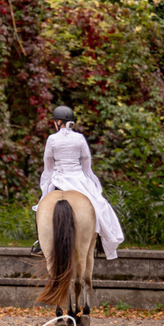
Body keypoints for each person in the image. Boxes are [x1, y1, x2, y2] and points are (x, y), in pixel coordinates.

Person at [31, 105, 124, 260]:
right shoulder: (80, 138)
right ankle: (101, 241)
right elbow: (86, 164)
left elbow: (48, 166)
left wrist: (45, 185)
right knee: (99, 206)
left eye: (55, 121)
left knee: (41, 208)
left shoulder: (52, 139)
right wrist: (90, 181)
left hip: (58, 179)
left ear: (59, 122)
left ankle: (41, 243)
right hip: (79, 179)